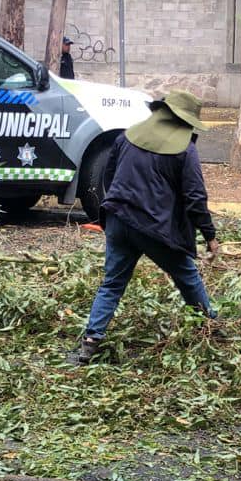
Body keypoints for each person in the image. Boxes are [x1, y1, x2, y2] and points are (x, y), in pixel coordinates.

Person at [68, 90, 218, 366]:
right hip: (153, 229)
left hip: (117, 221)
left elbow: (110, 178)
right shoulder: (186, 150)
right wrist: (209, 235)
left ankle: (90, 342)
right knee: (186, 275)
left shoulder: (127, 136)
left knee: (112, 283)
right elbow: (195, 198)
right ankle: (211, 327)